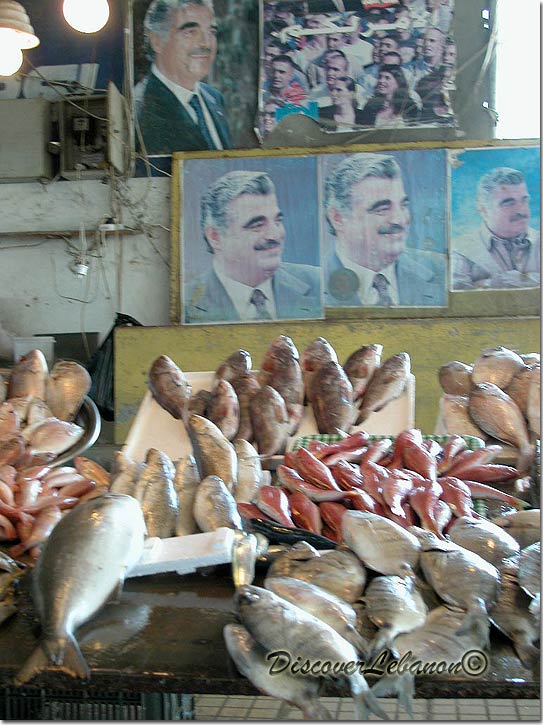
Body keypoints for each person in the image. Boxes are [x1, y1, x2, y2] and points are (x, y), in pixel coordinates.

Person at [185, 171, 322, 324]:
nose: (275, 235)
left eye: (277, 221)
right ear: (215, 237)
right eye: (257, 225)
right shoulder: (186, 305)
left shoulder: (318, 284)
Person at [324, 153, 446, 307]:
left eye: (403, 205)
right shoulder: (316, 286)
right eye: (382, 209)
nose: (399, 220)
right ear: (338, 218)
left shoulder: (444, 271)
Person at [137, 0, 231, 155]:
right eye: (191, 32)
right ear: (157, 41)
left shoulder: (214, 99)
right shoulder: (139, 106)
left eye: (211, 32)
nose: (206, 43)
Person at [452, 167, 540, 290]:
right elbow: (457, 294)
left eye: (524, 200)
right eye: (508, 203)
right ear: (483, 210)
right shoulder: (460, 249)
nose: (522, 211)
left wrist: (490, 283)